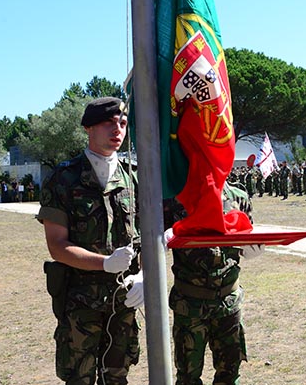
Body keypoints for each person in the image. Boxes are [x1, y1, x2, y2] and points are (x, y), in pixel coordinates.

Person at [38, 97, 143, 384]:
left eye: (123, 123)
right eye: (109, 123)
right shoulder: (63, 178)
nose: (118, 129)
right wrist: (104, 263)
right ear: (88, 128)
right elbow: (57, 245)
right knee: (79, 379)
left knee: (117, 378)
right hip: (80, 303)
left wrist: (144, 274)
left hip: (123, 301)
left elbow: (147, 237)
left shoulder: (134, 177)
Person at [163, 184, 256, 385]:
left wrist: (252, 248)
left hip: (228, 303)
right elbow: (155, 239)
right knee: (187, 377)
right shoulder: (176, 199)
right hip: (190, 305)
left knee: (229, 374)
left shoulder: (238, 197)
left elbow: (247, 238)